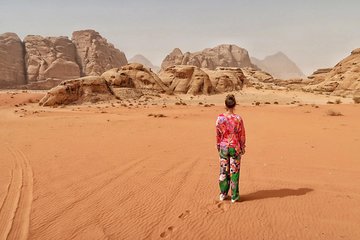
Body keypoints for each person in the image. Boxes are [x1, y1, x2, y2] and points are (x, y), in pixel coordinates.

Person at [216, 94, 246, 203]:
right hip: (235, 147)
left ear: (225, 105)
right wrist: (242, 147)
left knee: (223, 171)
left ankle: (223, 194)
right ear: (234, 105)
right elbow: (242, 134)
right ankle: (234, 196)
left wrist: (218, 146)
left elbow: (218, 134)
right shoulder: (238, 119)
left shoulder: (220, 118)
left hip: (224, 147)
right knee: (235, 171)